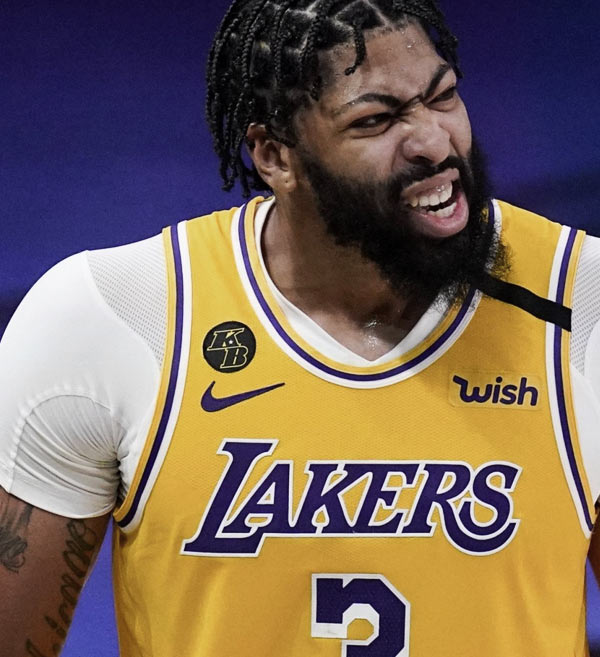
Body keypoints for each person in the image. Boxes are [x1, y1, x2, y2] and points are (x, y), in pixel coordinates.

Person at [2, 0, 600, 655]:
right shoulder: (118, 318)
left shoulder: (583, 304)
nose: (434, 142)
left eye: (443, 96)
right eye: (375, 120)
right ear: (274, 155)